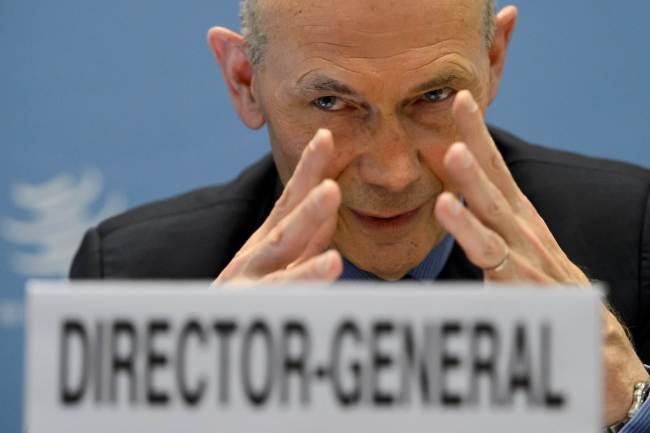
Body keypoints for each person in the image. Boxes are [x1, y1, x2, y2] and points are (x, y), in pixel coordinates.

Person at [71, 0, 650, 430]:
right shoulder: (128, 274)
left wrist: (631, 406)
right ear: (245, 81)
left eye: (434, 97)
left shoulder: (634, 230)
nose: (393, 172)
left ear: (493, 60)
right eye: (331, 103)